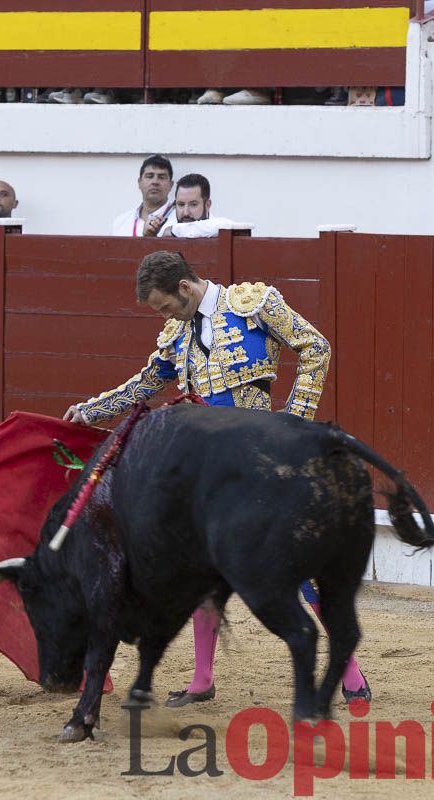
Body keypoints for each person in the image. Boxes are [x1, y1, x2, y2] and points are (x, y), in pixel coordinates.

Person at [62, 251, 373, 707]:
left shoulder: (255, 304)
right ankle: (201, 680)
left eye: (165, 306)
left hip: (259, 462)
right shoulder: (177, 334)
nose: (164, 316)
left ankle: (350, 673)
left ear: (185, 288)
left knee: (296, 568)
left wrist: (294, 420)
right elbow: (144, 385)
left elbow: (316, 347)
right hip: (208, 473)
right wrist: (90, 412)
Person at [111, 155, 175, 237]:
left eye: (161, 177)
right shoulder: (120, 222)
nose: (155, 182)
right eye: (149, 176)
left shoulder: (178, 222)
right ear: (139, 182)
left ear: (171, 185)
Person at [158, 173, 236, 238]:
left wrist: (173, 230)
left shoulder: (170, 229)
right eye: (181, 204)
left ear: (208, 205)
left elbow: (227, 226)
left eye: (193, 205)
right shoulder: (165, 229)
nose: (186, 213)